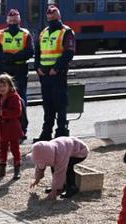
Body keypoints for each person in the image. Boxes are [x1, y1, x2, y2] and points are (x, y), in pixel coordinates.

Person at [34, 4, 75, 142]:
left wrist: (56, 68)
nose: (51, 20)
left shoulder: (67, 32)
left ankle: (61, 132)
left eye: (54, 17)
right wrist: (37, 67)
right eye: (49, 18)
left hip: (58, 74)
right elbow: (38, 52)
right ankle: (46, 133)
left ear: (59, 17)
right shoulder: (43, 32)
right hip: (44, 75)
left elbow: (69, 52)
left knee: (60, 104)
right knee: (48, 106)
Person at [0, 9, 33, 139]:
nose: (13, 23)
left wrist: (13, 57)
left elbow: (29, 52)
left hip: (20, 71)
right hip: (4, 71)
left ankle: (22, 129)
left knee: (20, 100)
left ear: (19, 21)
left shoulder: (26, 34)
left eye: (15, 21)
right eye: (11, 21)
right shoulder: (0, 34)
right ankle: (2, 132)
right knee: (2, 101)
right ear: (7, 21)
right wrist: (6, 58)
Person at [0, 74, 23, 179]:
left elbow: (17, 112)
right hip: (1, 129)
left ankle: (17, 169)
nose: (2, 89)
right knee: (2, 148)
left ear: (10, 86)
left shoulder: (14, 97)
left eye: (4, 86)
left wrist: (3, 112)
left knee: (15, 149)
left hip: (12, 128)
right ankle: (2, 169)